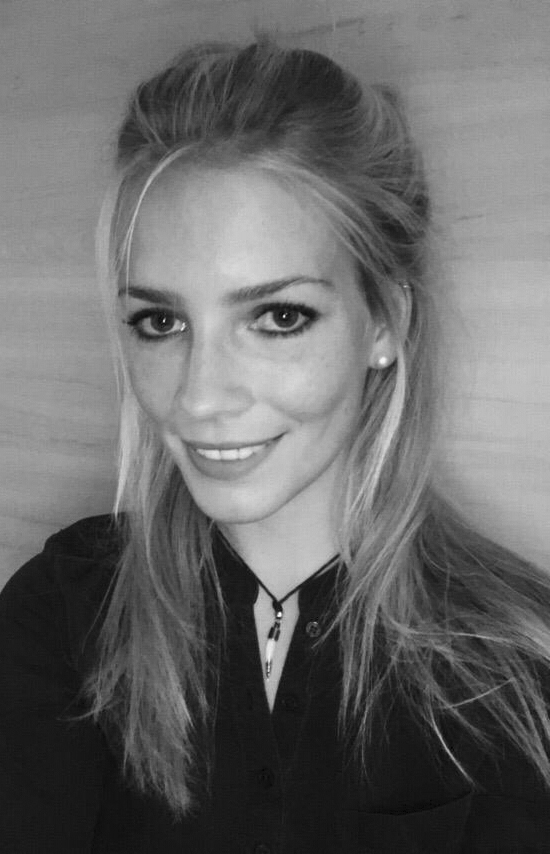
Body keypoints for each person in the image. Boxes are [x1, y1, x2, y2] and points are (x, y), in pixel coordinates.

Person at [1, 37, 550, 854]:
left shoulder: (519, 673)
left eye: (278, 317)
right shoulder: (63, 617)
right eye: (161, 321)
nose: (199, 397)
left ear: (385, 322)